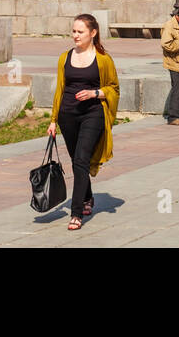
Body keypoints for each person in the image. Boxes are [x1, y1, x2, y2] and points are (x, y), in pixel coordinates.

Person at [48, 15, 119, 230]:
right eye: (74, 31)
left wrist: (94, 93)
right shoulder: (65, 57)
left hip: (93, 113)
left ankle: (76, 213)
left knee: (81, 159)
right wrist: (53, 120)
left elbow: (113, 88)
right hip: (67, 115)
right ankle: (87, 196)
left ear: (93, 33)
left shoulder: (103, 59)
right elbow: (60, 90)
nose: (75, 36)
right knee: (77, 161)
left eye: (80, 32)